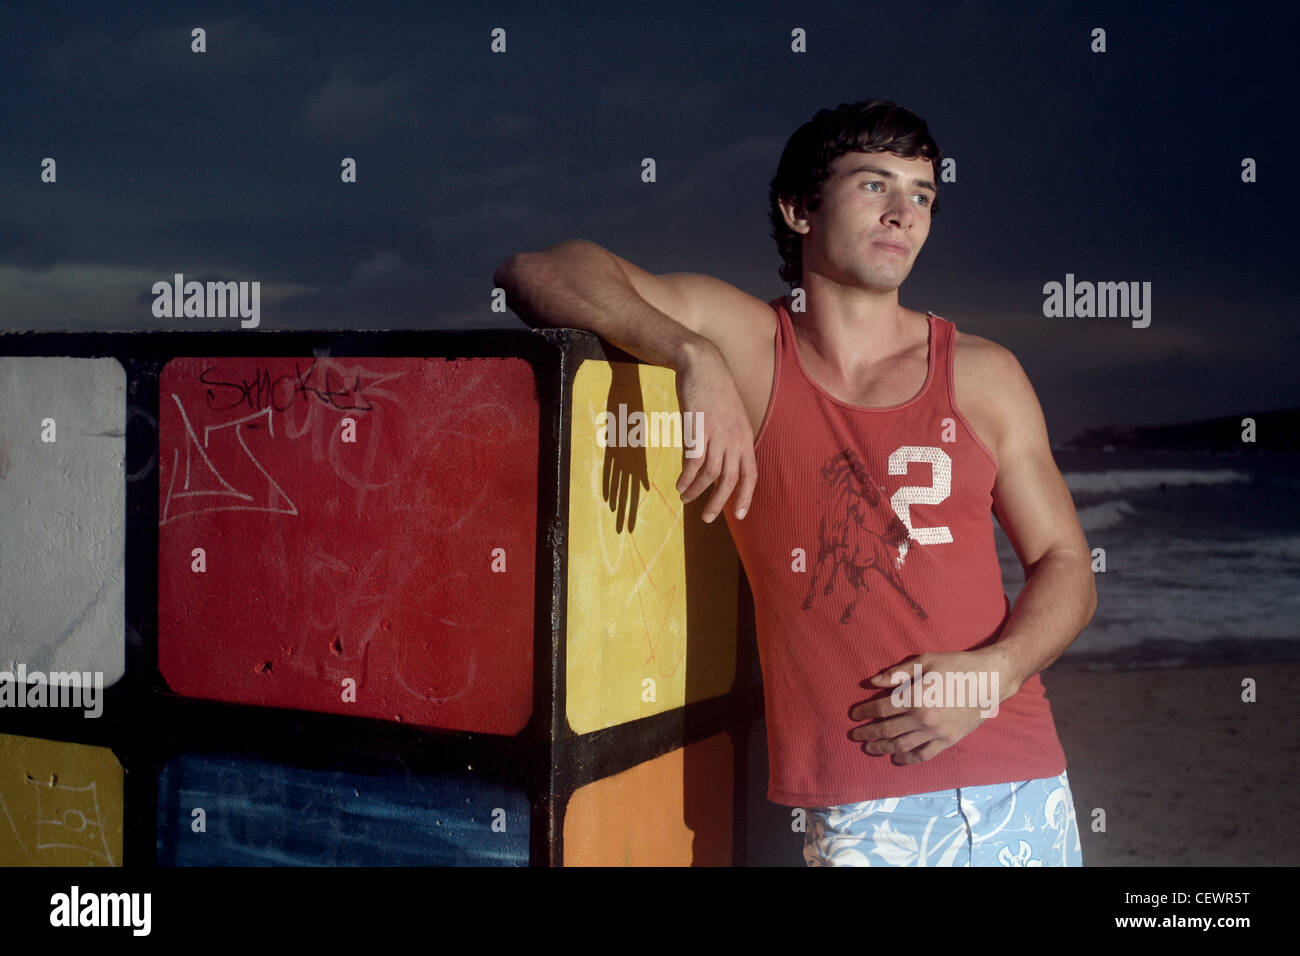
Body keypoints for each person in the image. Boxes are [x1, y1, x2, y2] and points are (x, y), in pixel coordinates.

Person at [494, 98, 1096, 867]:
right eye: (875, 185)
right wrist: (688, 354)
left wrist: (994, 673)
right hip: (861, 798)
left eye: (922, 195)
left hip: (1019, 777)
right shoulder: (747, 344)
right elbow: (539, 270)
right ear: (799, 208)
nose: (903, 212)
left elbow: (1068, 566)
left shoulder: (985, 375)